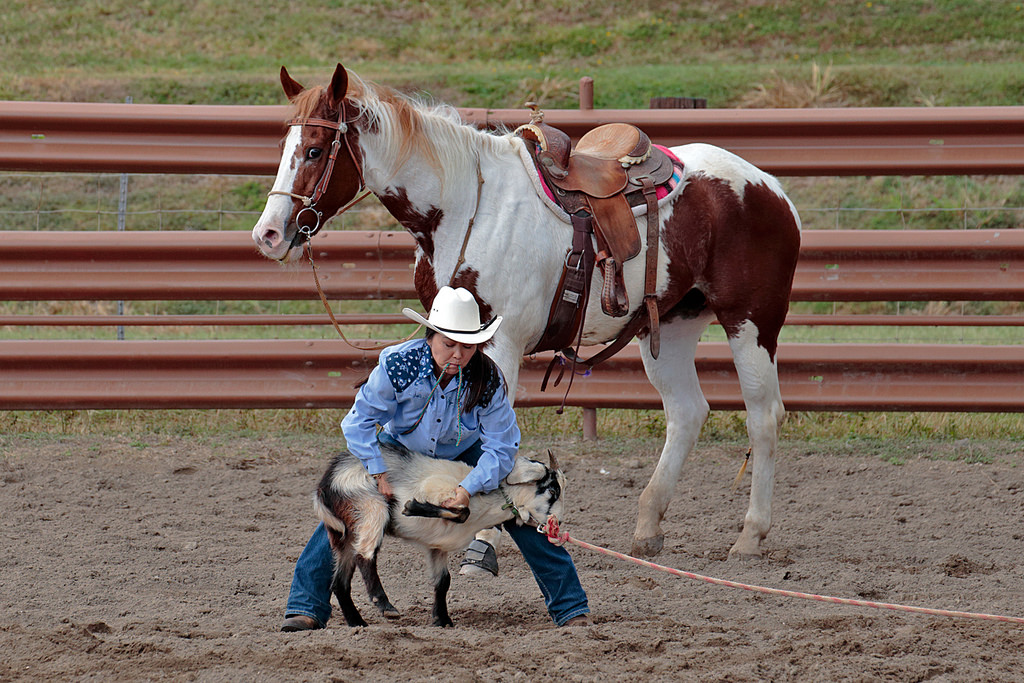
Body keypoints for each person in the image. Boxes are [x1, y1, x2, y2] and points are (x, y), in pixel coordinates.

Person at [280, 286, 591, 631]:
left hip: (466, 451)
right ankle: (306, 604)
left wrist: (470, 487)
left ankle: (570, 606)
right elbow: (358, 422)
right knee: (350, 510)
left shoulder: (488, 380)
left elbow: (502, 447)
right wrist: (377, 470)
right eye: (449, 344)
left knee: (519, 509)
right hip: (400, 449)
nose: (458, 354)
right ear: (431, 337)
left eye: (468, 346)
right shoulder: (399, 365)